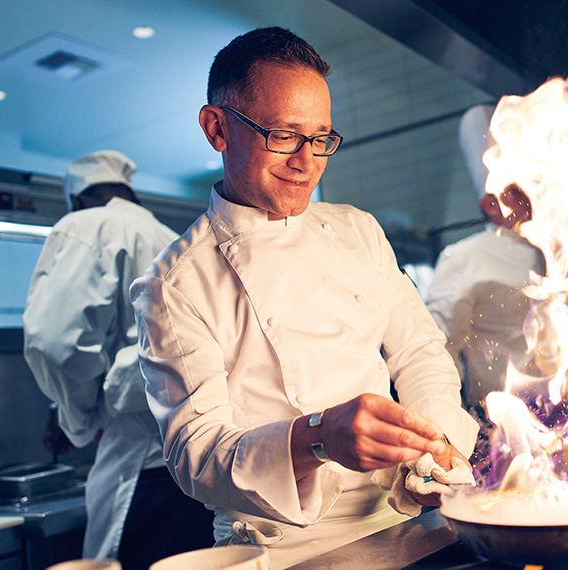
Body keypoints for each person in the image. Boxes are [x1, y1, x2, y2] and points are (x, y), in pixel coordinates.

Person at [130, 27, 479, 568]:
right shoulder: (174, 282)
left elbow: (420, 354)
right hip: (282, 547)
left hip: (406, 518)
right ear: (216, 127)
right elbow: (195, 454)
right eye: (283, 136)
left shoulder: (358, 230)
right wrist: (318, 438)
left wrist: (435, 452)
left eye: (321, 139)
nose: (307, 161)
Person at [24, 150, 211, 569]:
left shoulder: (84, 225)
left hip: (139, 462)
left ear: (76, 199)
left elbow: (55, 346)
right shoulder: (175, 237)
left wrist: (79, 421)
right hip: (199, 459)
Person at [424, 104, 544, 423]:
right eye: (520, 190)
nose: (537, 195)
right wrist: (455, 420)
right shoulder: (464, 257)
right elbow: (438, 348)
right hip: (506, 421)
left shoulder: (565, 251)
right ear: (491, 205)